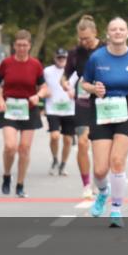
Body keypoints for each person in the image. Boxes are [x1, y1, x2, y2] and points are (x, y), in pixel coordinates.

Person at [81, 17, 128, 227]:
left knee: (117, 161)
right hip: (102, 111)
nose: (118, 32)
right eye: (114, 29)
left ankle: (116, 210)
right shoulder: (97, 57)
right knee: (100, 170)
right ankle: (103, 192)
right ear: (108, 34)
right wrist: (94, 89)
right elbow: (84, 83)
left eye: (122, 29)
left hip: (127, 110)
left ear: (127, 33)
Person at [0, 30, 48, 198]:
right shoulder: (7, 63)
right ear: (14, 46)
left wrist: (38, 96)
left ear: (29, 46)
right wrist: (0, 99)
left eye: (25, 45)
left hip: (28, 109)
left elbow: (44, 87)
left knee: (24, 148)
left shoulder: (35, 65)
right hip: (9, 108)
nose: (22, 48)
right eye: (19, 45)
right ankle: (7, 175)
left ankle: (20, 184)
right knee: (10, 147)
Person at [62, 14, 103, 199]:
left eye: (87, 38)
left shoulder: (105, 49)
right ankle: (86, 184)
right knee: (82, 142)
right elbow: (65, 75)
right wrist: (64, 83)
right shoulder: (75, 53)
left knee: (99, 145)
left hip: (103, 102)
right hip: (83, 102)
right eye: (81, 38)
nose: (84, 42)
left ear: (95, 32)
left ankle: (99, 180)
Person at [44, 48, 75, 176]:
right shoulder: (47, 71)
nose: (61, 60)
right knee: (55, 136)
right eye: (59, 57)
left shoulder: (73, 71)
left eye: (64, 58)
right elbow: (40, 85)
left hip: (70, 110)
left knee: (67, 140)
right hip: (52, 108)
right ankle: (55, 159)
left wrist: (75, 93)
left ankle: (63, 164)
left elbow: (81, 85)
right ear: (55, 58)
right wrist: (44, 91)